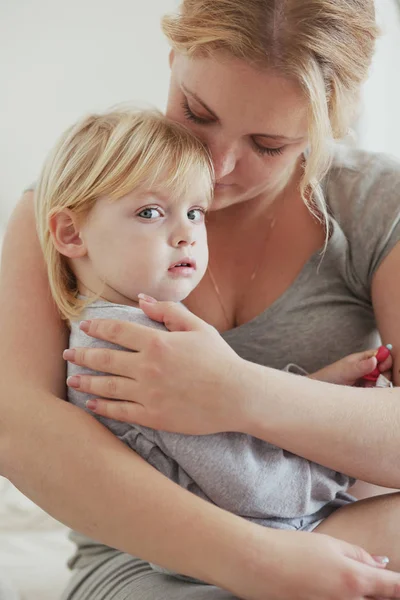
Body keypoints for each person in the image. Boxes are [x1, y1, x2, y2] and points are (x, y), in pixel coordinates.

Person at [2, 1, 400, 599]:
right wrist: (266, 563)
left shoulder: (376, 206)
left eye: (267, 144)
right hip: (153, 550)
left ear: (327, 128)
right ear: (173, 59)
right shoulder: (76, 203)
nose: (217, 167)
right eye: (198, 112)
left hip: (335, 517)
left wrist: (241, 392)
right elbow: (18, 427)